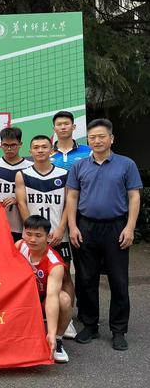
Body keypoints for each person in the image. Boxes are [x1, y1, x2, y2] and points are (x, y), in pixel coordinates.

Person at [66, 119, 142, 350]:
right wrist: (73, 226)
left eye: (101, 136)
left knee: (118, 280)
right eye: (92, 137)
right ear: (88, 140)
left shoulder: (126, 164)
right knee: (86, 279)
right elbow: (72, 196)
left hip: (116, 227)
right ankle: (90, 325)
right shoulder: (79, 166)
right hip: (86, 227)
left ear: (111, 138)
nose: (97, 141)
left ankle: (119, 330)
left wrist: (129, 228)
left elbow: (134, 197)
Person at [15, 134, 76, 338]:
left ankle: (67, 319)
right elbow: (22, 203)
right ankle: (33, 315)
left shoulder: (64, 174)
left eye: (44, 147)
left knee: (65, 276)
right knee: (28, 276)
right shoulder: (22, 175)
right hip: (35, 236)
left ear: (51, 150)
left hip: (58, 234)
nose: (40, 150)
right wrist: (32, 231)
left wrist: (61, 229)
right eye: (36, 147)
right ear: (30, 151)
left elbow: (69, 203)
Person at [16, 215, 72, 363]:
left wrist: (51, 333)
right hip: (24, 298)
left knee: (64, 300)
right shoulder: (19, 246)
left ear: (48, 237)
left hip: (43, 299)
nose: (32, 239)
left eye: (38, 235)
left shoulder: (55, 264)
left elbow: (52, 296)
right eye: (28, 234)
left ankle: (57, 340)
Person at [0, 127, 33, 242]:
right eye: (5, 145)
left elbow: (35, 195)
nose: (9, 149)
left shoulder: (30, 167)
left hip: (22, 224)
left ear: (20, 144)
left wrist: (18, 199)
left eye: (13, 145)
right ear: (1, 144)